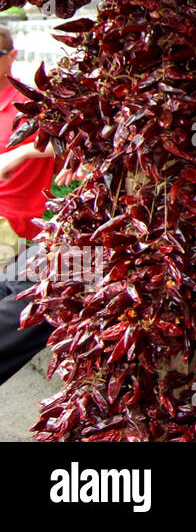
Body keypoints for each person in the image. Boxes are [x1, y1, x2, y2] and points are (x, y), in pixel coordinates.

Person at [0, 27, 56, 383]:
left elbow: (71, 137)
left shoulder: (29, 104)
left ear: (11, 56)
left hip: (11, 224)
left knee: (68, 275)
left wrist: (18, 154)